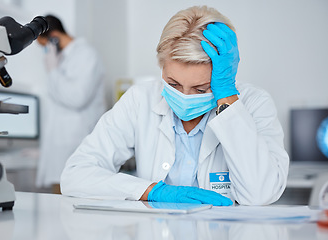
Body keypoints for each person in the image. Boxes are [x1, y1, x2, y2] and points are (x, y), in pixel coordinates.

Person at [60, 6, 289, 205]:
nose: (186, 96)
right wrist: (150, 192)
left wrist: (226, 96)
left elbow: (261, 194)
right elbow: (75, 176)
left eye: (201, 89)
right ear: (161, 67)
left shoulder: (254, 103)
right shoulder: (140, 99)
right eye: (173, 83)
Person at [35, 15, 106, 190]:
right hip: (61, 150)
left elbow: (77, 98)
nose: (45, 51)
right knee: (58, 210)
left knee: (69, 210)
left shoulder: (86, 55)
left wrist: (53, 72)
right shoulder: (63, 58)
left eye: (44, 46)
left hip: (75, 146)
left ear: (54, 37)